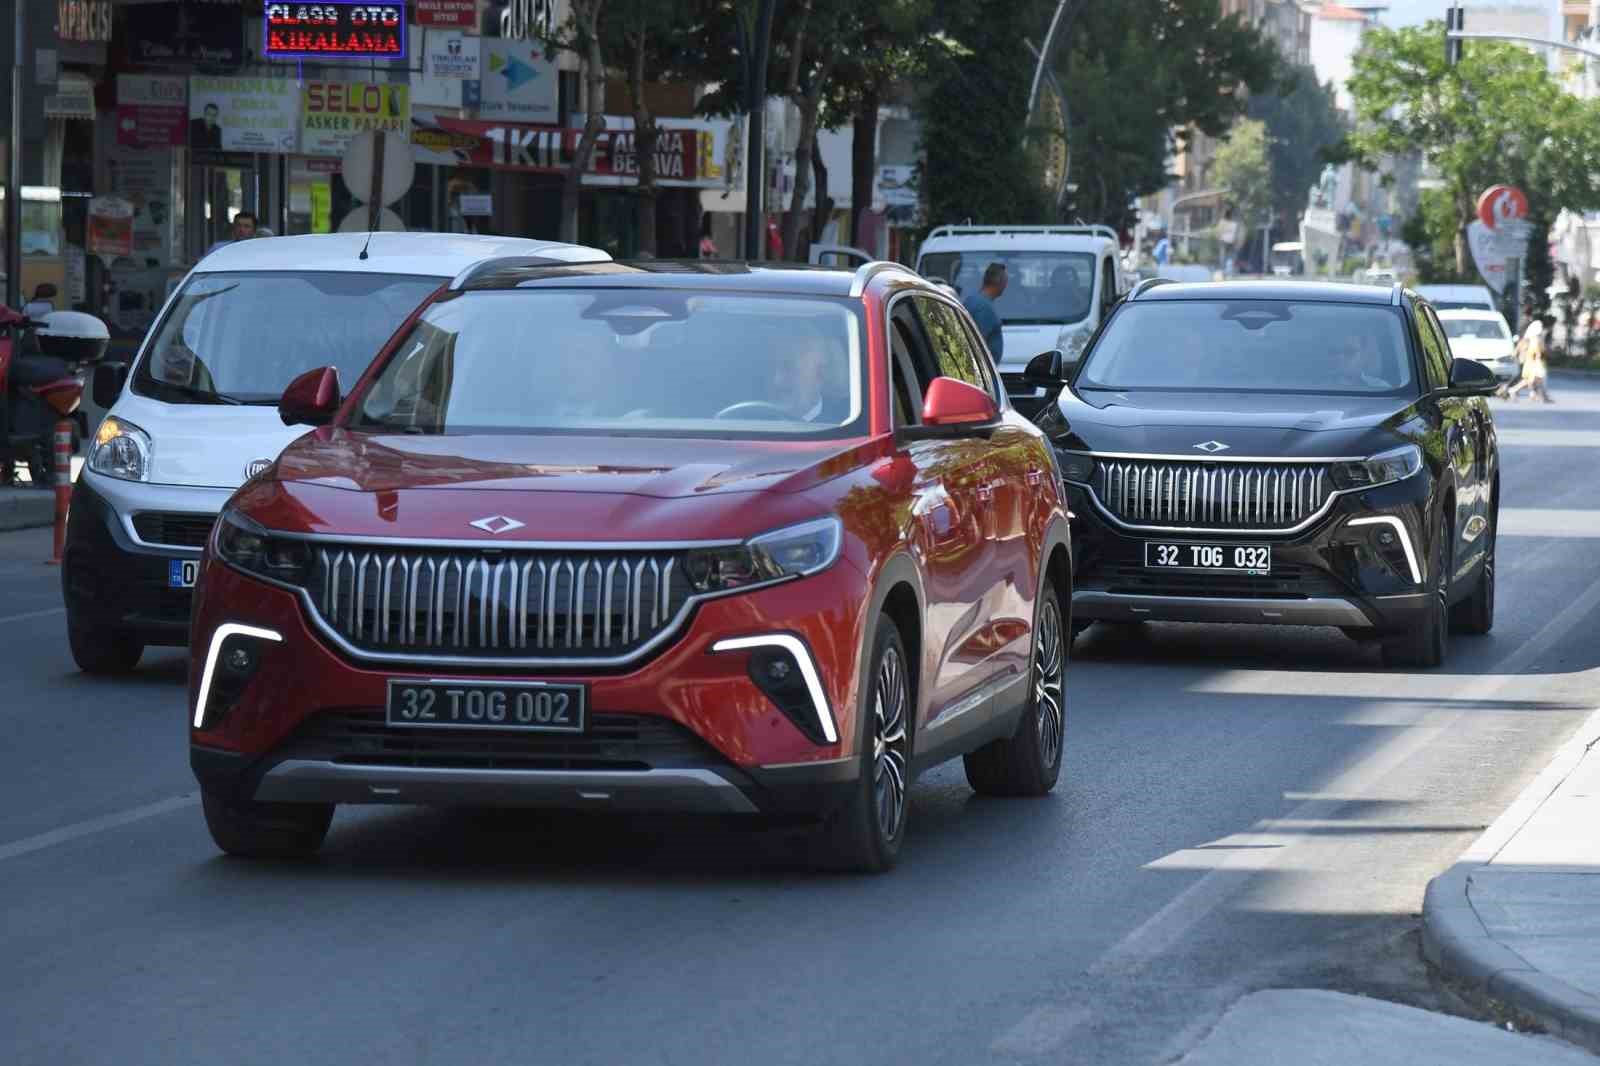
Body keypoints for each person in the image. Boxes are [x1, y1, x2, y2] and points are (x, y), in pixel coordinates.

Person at [769, 341, 844, 423]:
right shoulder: (756, 421)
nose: (777, 380)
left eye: (788, 367)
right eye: (770, 368)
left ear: (821, 374)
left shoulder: (844, 425)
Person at [962, 262, 1007, 360]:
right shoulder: (984, 308)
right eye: (1005, 281)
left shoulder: (972, 300)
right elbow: (976, 344)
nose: (1006, 286)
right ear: (1000, 282)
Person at [1506, 314, 1555, 403]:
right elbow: (1538, 342)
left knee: (1533, 377)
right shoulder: (1538, 326)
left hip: (1532, 355)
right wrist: (1541, 352)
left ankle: (1538, 395)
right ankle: (1538, 395)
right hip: (1535, 356)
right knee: (1539, 376)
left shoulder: (1535, 327)